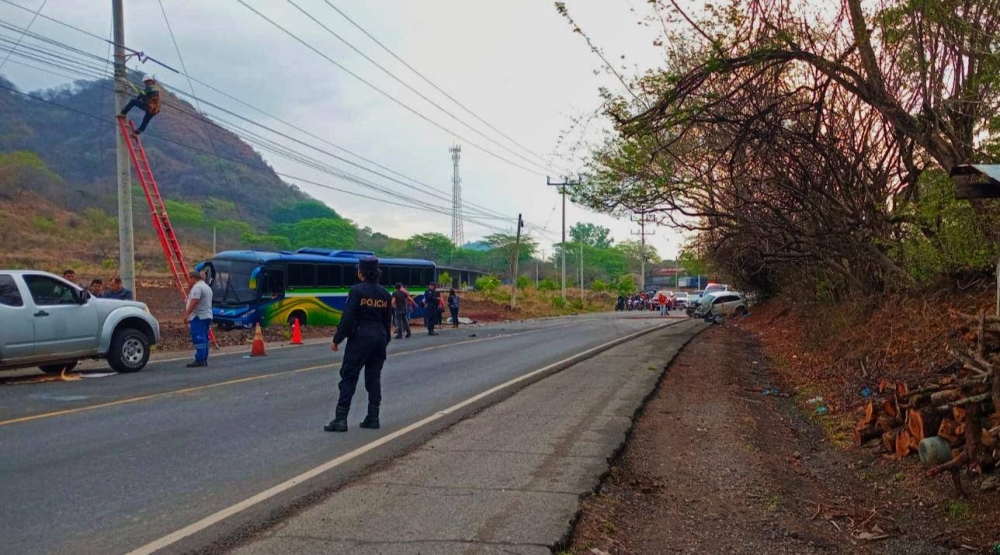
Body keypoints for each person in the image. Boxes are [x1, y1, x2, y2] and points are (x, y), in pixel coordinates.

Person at [326, 256, 392, 433]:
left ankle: (340, 419)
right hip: (379, 337)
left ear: (361, 273)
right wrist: (384, 341)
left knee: (348, 376)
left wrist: (337, 339)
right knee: (374, 378)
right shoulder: (385, 294)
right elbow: (388, 322)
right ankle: (373, 417)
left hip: (361, 337)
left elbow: (347, 316)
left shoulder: (356, 291)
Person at [184, 271, 213, 368]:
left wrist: (187, 314)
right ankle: (204, 358)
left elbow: (195, 301)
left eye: (189, 279)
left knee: (199, 337)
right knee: (204, 336)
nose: (188, 281)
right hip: (206, 315)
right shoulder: (206, 287)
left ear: (193, 278)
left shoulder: (197, 288)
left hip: (198, 316)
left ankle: (200, 359)